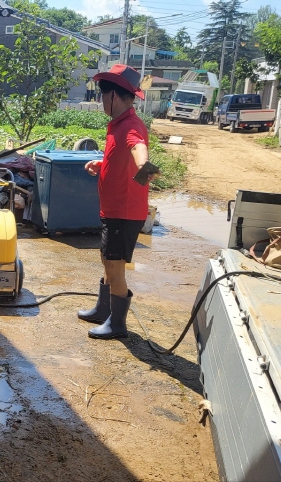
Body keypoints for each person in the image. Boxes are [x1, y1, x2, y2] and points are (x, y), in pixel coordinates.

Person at [78, 64, 157, 340]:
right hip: (112, 209)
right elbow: (121, 158)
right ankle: (104, 309)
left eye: (102, 95)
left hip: (124, 212)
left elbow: (138, 148)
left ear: (115, 96)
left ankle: (117, 324)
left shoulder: (131, 126)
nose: (100, 101)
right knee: (106, 258)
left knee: (115, 264)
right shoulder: (118, 124)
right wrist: (103, 166)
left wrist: (144, 165)